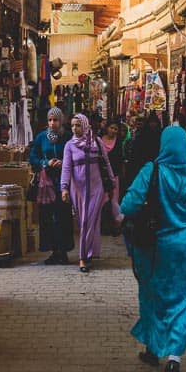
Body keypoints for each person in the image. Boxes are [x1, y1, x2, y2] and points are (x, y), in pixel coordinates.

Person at [120, 126, 186, 372]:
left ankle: (151, 347)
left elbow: (128, 206)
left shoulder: (151, 171)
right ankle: (173, 359)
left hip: (154, 247)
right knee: (182, 298)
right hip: (185, 246)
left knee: (152, 294)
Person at [61, 113, 117, 273]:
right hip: (77, 189)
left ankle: (83, 258)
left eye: (77, 125)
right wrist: (64, 188)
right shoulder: (69, 145)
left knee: (89, 220)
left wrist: (111, 184)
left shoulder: (96, 142)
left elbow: (106, 163)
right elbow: (66, 167)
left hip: (96, 188)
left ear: (85, 125)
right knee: (82, 221)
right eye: (72, 125)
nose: (74, 128)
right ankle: (89, 251)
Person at [29, 107, 73, 265]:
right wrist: (46, 162)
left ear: (61, 121)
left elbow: (75, 154)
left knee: (63, 216)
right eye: (50, 120)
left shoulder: (68, 137)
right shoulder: (41, 137)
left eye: (56, 120)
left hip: (63, 182)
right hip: (46, 183)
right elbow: (33, 157)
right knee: (47, 217)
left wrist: (65, 163)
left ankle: (64, 251)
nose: (53, 123)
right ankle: (54, 251)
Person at [122, 112, 162, 195]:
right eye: (151, 122)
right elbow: (135, 152)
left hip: (156, 164)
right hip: (140, 164)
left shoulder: (159, 135)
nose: (153, 124)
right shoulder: (141, 135)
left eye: (154, 122)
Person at [100, 120, 125, 235]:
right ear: (107, 128)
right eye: (111, 128)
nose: (113, 130)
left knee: (114, 200)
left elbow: (120, 158)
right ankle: (103, 225)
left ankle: (115, 225)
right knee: (102, 200)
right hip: (100, 176)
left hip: (114, 175)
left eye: (116, 129)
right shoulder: (99, 140)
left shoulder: (118, 142)